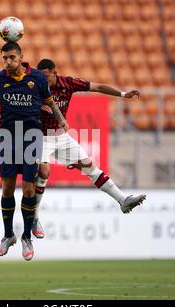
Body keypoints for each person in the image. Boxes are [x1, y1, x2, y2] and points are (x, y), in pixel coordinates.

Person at [0, 44, 68, 260]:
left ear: (21, 57)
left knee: (29, 190)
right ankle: (8, 235)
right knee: (7, 189)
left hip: (31, 137)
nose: (8, 62)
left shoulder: (37, 79)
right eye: (4, 58)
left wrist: (61, 119)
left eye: (11, 57)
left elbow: (50, 102)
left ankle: (26, 237)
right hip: (8, 138)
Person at [32, 58, 146, 239]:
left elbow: (98, 87)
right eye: (41, 77)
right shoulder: (34, 86)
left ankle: (122, 200)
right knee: (44, 172)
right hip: (40, 137)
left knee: (89, 166)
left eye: (46, 77)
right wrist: (38, 106)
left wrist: (124, 95)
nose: (43, 81)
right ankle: (33, 217)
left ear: (55, 73)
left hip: (61, 137)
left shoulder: (68, 83)